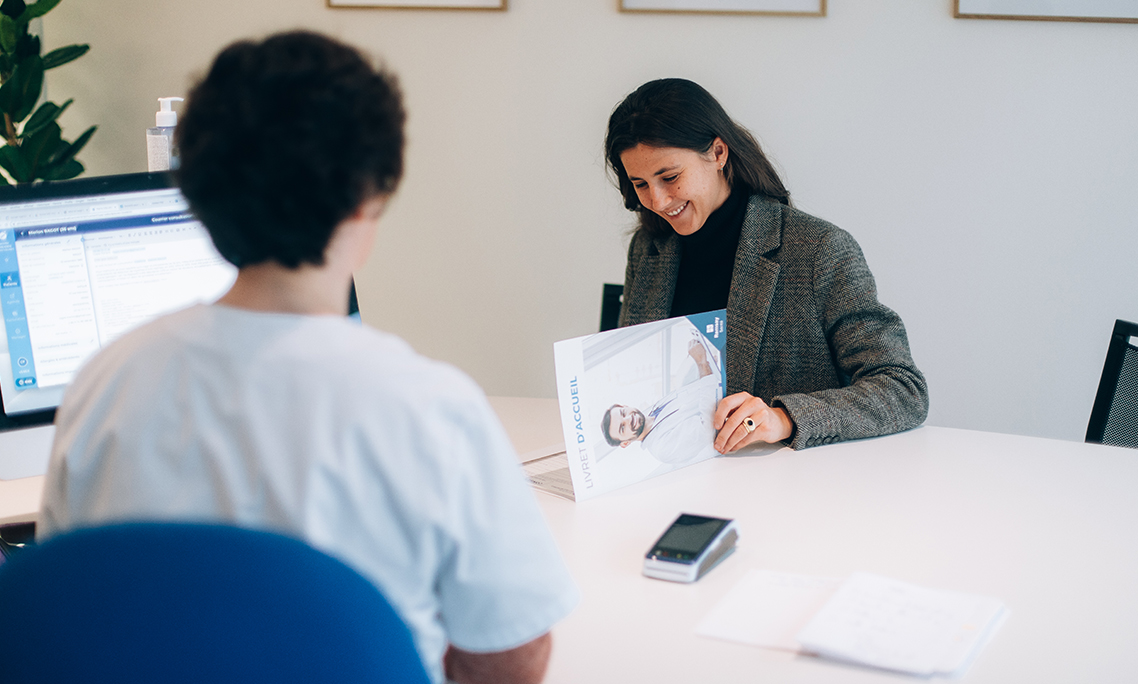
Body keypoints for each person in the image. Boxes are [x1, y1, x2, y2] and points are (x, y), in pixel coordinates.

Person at [39, 31, 577, 684]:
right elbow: (512, 658)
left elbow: (66, 608)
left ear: (199, 194)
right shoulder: (430, 408)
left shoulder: (106, 383)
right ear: (367, 197)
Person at [605, 78, 929, 453]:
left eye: (670, 177)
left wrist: (784, 418)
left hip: (789, 485)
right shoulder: (649, 250)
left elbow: (903, 388)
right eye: (641, 184)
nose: (659, 201)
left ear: (718, 153)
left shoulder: (818, 250)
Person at [601, 338, 720, 464]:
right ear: (625, 443)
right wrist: (701, 363)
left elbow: (695, 394)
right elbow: (708, 427)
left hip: (722, 379)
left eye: (623, 413)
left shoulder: (656, 410)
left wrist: (705, 363)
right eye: (622, 427)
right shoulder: (663, 449)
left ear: (626, 406)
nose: (628, 419)